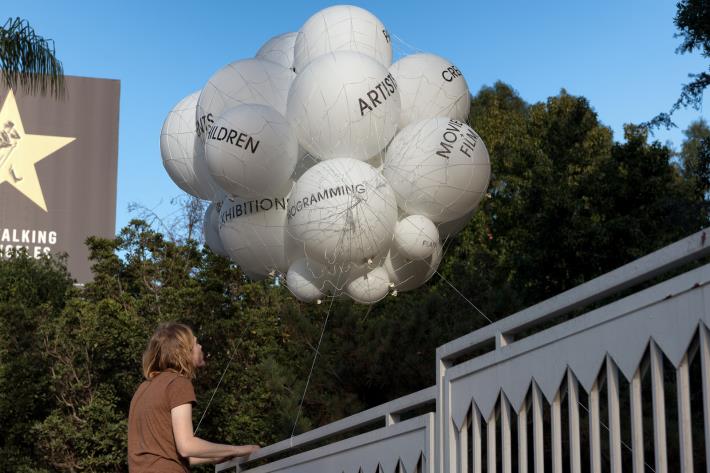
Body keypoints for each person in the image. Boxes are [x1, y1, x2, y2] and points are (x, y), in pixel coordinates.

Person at [128, 322, 259, 472]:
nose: (200, 347)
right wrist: (237, 450)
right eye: (196, 343)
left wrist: (215, 456)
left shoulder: (142, 389)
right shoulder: (177, 383)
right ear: (184, 351)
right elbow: (186, 446)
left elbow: (172, 453)